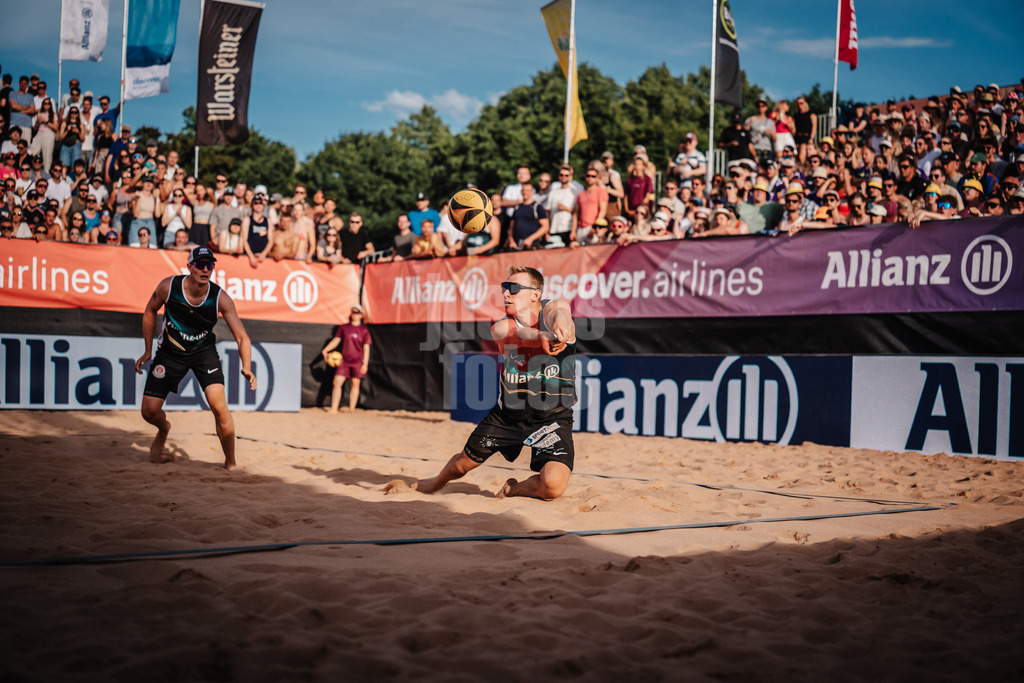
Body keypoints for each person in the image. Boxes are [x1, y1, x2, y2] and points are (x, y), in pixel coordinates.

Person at [388, 265, 576, 500]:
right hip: (508, 416)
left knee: (553, 488)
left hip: (552, 417)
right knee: (462, 466)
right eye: (504, 288)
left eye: (513, 288)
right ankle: (433, 484)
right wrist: (542, 336)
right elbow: (521, 336)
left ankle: (512, 489)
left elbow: (561, 311)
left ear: (535, 294)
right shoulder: (501, 326)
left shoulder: (554, 310)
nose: (506, 293)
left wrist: (561, 327)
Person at [135, 247, 256, 469]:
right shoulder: (169, 286)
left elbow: (242, 337)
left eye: (209, 265)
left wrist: (246, 366)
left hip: (203, 352)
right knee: (149, 411)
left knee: (219, 407)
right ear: (189, 266)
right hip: (170, 352)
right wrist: (148, 349)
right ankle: (164, 428)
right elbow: (149, 311)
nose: (205, 269)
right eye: (199, 264)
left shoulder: (220, 297)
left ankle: (230, 463)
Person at [321, 306, 372, 413]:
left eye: (357, 312)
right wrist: (325, 350)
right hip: (344, 360)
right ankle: (334, 408)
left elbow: (366, 347)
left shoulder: (364, 330)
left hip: (357, 361)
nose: (355, 314)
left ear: (361, 315)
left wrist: (365, 363)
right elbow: (336, 340)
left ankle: (351, 409)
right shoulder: (344, 328)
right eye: (353, 312)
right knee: (337, 382)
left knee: (355, 384)